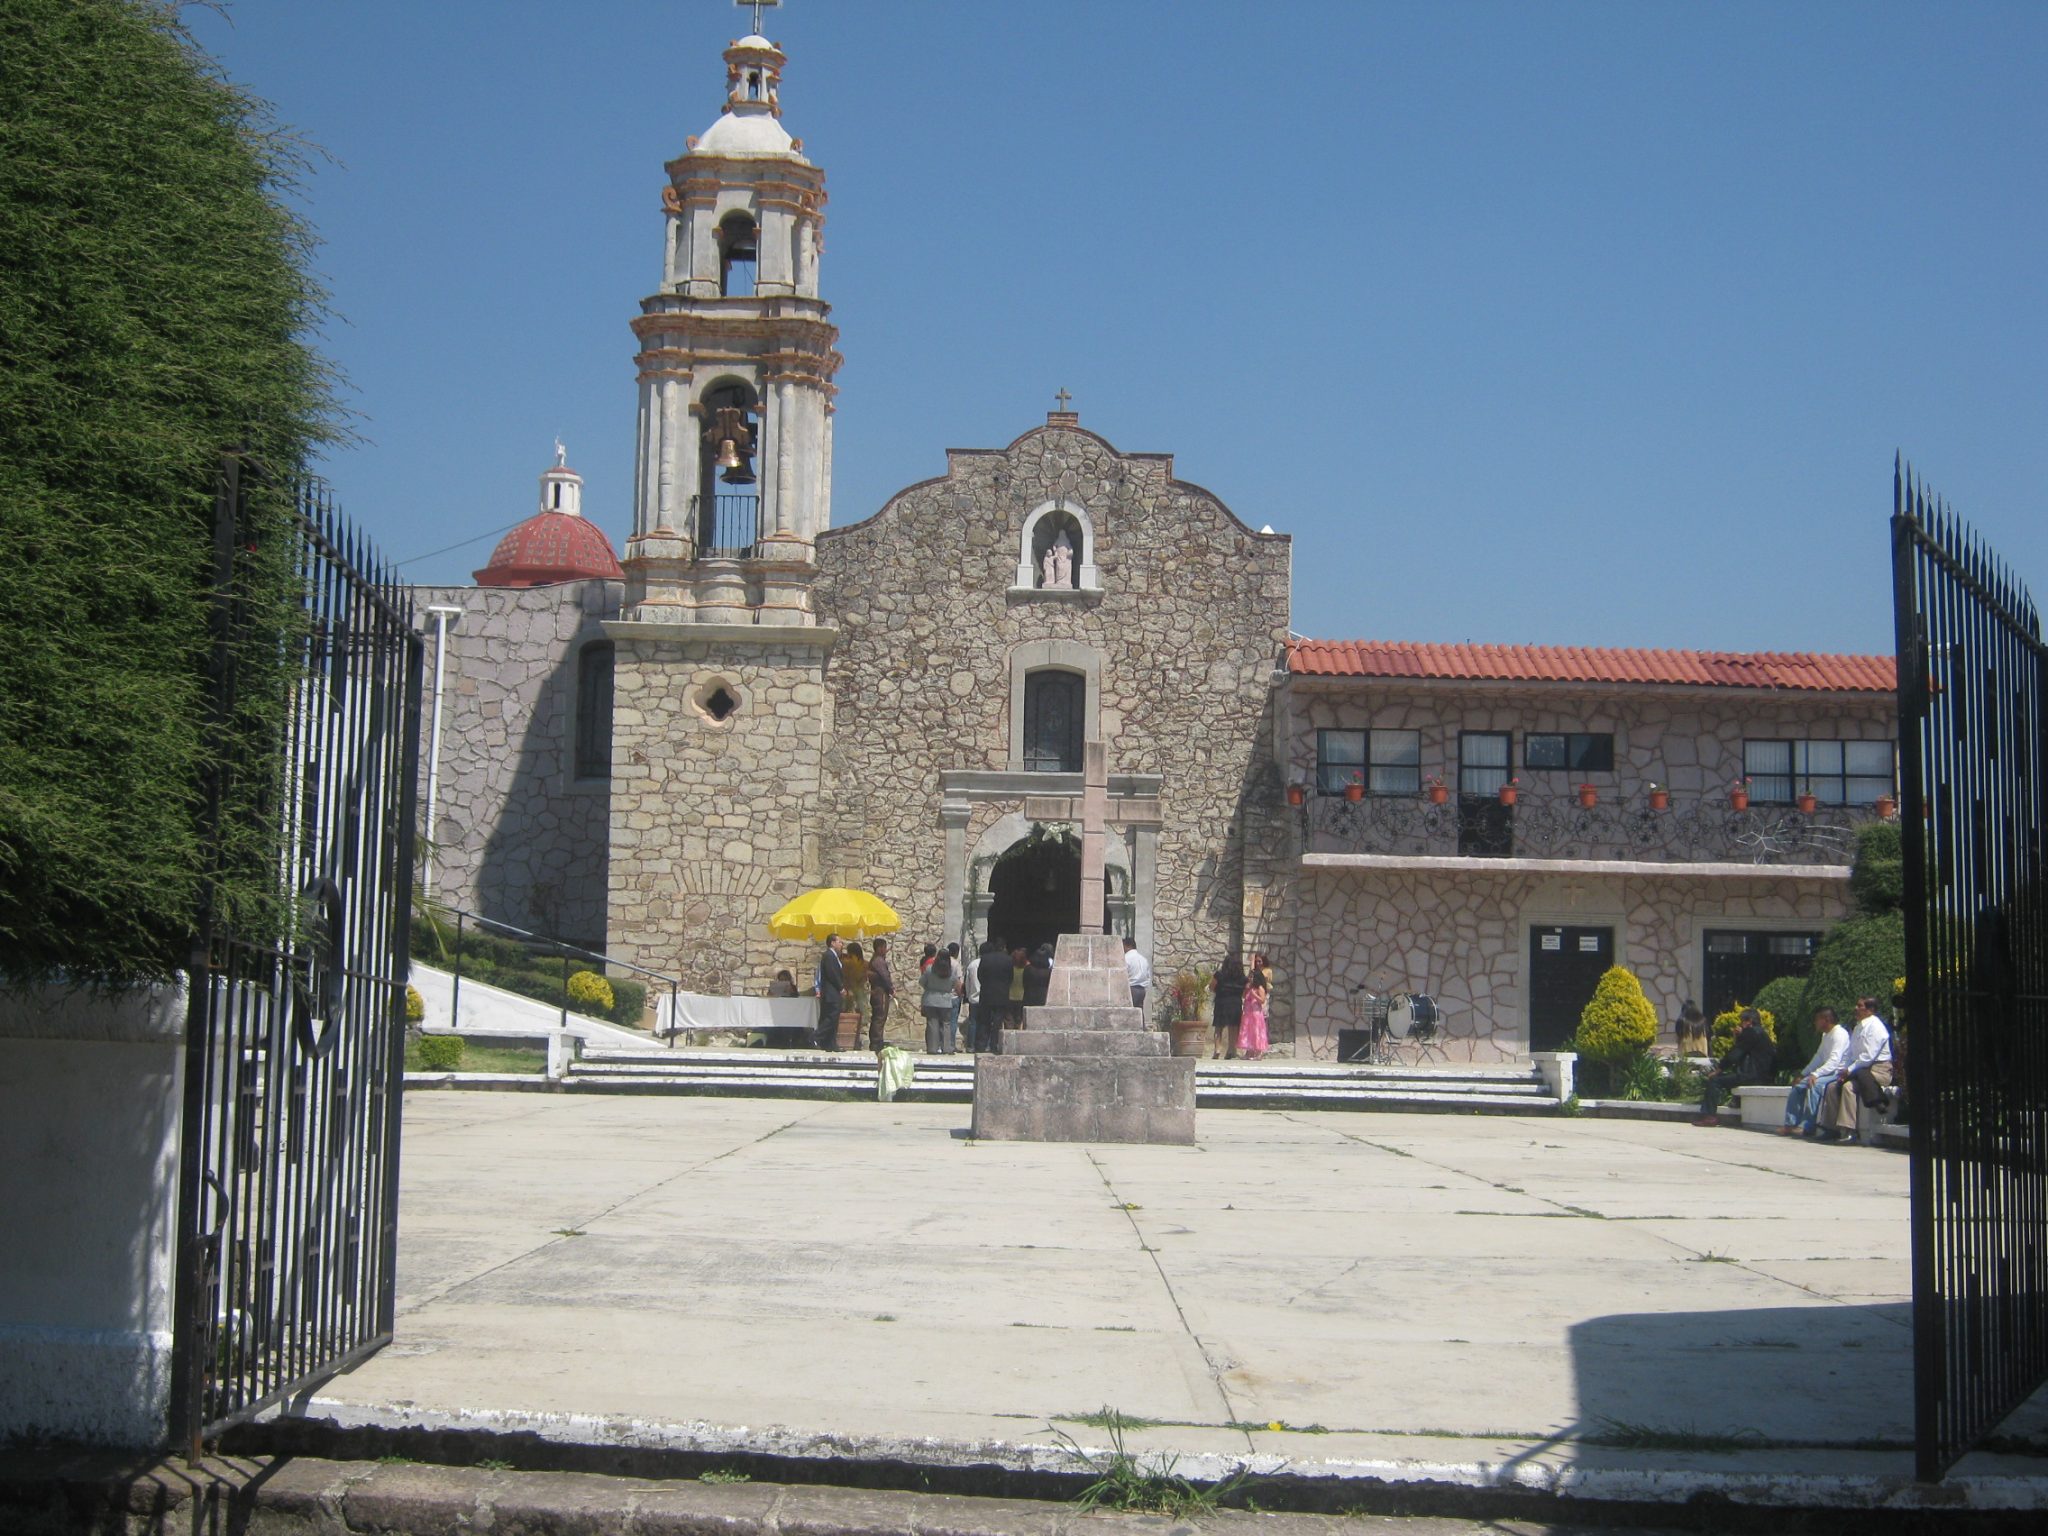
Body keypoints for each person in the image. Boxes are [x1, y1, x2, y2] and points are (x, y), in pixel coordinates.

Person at [1817, 996, 1894, 1143]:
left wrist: (1850, 1070)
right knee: (1832, 1087)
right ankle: (1830, 1128)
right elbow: (1852, 1054)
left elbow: (1868, 1057)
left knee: (1848, 1087)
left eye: (1860, 1006)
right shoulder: (1859, 1027)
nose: (1856, 1009)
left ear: (1870, 1010)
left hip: (1878, 1070)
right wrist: (1844, 1069)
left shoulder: (1876, 1028)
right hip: (1861, 1070)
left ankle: (1849, 1131)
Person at [1693, 1006, 1775, 1125]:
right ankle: (1736, 1101)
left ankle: (1709, 1116)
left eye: (1742, 1021)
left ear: (1748, 1022)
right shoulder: (1762, 1033)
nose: (1741, 1024)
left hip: (1751, 1075)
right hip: (1764, 1076)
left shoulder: (1750, 1032)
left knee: (1715, 1081)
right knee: (1732, 1078)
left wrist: (1719, 1069)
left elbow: (1735, 1055)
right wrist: (1739, 1036)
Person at [1780, 1006, 1849, 1137]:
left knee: (1814, 1085)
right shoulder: (1826, 1035)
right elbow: (1818, 1057)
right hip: (1827, 1072)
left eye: (1817, 1019)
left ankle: (1807, 1126)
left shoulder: (1839, 1034)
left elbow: (1834, 1062)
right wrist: (1803, 1074)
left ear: (1827, 1019)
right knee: (1798, 1086)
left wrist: (1815, 1075)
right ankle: (1790, 1124)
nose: (1815, 1023)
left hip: (1837, 1073)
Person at [974, 938, 1013, 1053]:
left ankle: (981, 1045)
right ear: (1003, 947)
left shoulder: (985, 959)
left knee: (984, 1020)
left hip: (987, 993)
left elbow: (980, 975)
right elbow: (1011, 977)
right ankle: (994, 1044)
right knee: (998, 1021)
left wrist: (986, 985)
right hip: (1001, 994)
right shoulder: (1008, 960)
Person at [920, 949, 956, 1054]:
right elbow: (954, 984)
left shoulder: (930, 969)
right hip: (945, 1001)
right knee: (946, 1025)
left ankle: (932, 1048)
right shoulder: (951, 971)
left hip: (930, 999)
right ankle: (946, 1048)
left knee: (932, 1023)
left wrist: (929, 987)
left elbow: (921, 982)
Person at [1212, 952, 1246, 1059]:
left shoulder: (1219, 975)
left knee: (1218, 1027)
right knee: (1233, 1027)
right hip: (1235, 1003)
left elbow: (1212, 987)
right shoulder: (1242, 978)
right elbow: (1245, 992)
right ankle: (1231, 1050)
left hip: (1221, 1001)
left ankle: (1217, 1049)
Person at [1238, 952, 1271, 1059]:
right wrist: (1247, 989)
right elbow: (1243, 996)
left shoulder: (1259, 988)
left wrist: (1255, 995)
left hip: (1256, 1013)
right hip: (1248, 1013)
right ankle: (1249, 1051)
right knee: (1248, 1031)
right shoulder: (1250, 987)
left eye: (1252, 977)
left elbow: (1262, 1000)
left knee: (1256, 1032)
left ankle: (1258, 1051)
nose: (1250, 978)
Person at [815, 934, 845, 1051]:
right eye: (839, 942)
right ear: (832, 943)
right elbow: (832, 974)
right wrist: (840, 987)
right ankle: (815, 1036)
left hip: (832, 993)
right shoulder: (829, 956)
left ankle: (830, 1044)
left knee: (833, 1018)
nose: (841, 945)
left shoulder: (834, 956)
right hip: (831, 993)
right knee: (831, 1017)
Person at [868, 937, 895, 1052]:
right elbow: (885, 976)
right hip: (880, 991)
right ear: (879, 948)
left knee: (878, 1016)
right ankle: (876, 1041)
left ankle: (877, 1040)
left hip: (878, 991)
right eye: (884, 947)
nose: (886, 950)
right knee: (880, 1016)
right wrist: (891, 988)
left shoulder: (876, 960)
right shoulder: (878, 961)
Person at [945, 941, 967, 1050]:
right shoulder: (956, 964)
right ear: (957, 952)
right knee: (953, 1022)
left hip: (944, 995)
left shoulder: (942, 962)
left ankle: (943, 1043)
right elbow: (958, 982)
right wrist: (960, 995)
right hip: (953, 996)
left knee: (944, 1022)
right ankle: (951, 1045)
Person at [1022, 943, 1054, 1009]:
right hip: (1044, 995)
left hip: (1029, 994)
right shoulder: (1049, 971)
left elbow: (1024, 982)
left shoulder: (1028, 968)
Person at [1123, 937, 1151, 1011]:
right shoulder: (1143, 959)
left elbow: (1122, 974)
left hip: (1131, 989)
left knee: (1129, 1013)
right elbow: (1148, 976)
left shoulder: (1126, 958)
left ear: (1127, 946)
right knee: (1139, 1012)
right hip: (1142, 990)